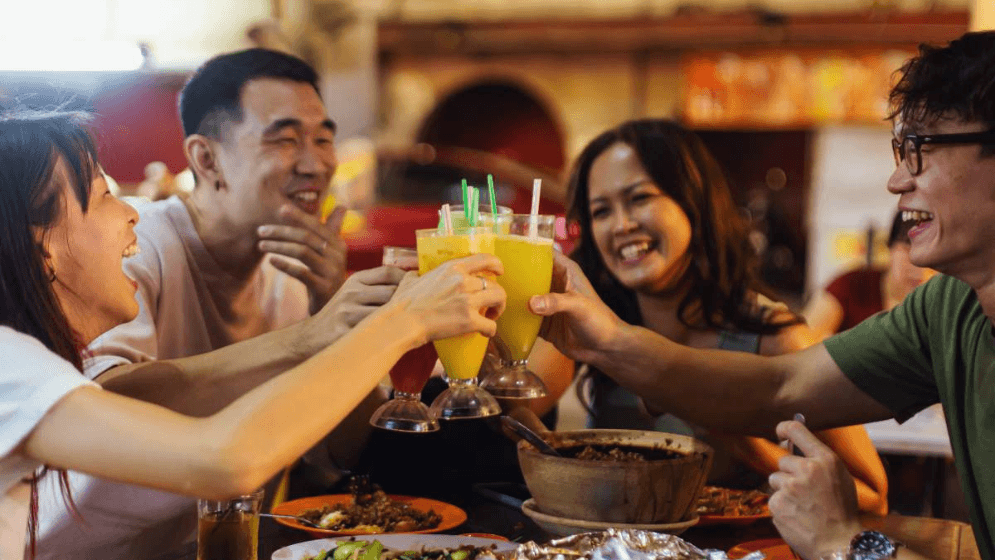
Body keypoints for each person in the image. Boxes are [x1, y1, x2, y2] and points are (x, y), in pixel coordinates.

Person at [529, 30, 995, 560]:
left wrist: (845, 542)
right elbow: (780, 387)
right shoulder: (947, 308)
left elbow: (861, 486)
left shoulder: (771, 324)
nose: (896, 181)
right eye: (901, 150)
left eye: (922, 149)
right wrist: (604, 340)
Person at [0, 110, 506, 560]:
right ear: (41, 245)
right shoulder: (11, 365)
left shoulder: (31, 361)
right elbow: (225, 460)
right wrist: (403, 322)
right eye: (103, 196)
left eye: (323, 138)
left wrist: (327, 331)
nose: (132, 211)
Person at [35, 48, 372, 559]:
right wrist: (308, 338)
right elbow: (103, 405)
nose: (316, 164)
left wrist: (334, 311)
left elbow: (347, 452)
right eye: (284, 139)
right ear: (206, 159)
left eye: (324, 139)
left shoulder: (290, 275)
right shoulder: (132, 246)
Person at [525, 119, 887, 514]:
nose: (622, 225)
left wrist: (752, 449)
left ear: (693, 201)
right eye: (601, 211)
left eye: (640, 198)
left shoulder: (775, 338)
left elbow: (873, 496)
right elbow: (518, 404)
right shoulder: (595, 321)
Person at [804, 211, 933, 340]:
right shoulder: (851, 286)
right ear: (890, 248)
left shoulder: (939, 310)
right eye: (908, 251)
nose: (919, 268)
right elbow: (802, 337)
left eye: (931, 257)